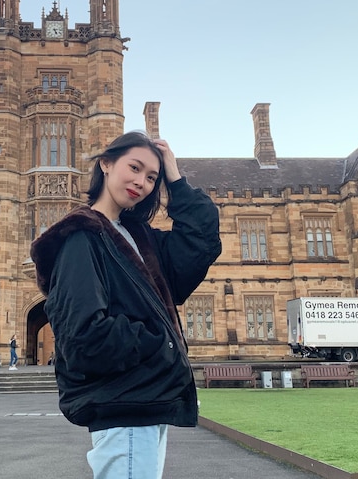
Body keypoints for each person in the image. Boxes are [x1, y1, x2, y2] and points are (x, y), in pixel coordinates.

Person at [31, 132, 222, 479]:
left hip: (145, 399)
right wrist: (156, 343)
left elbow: (201, 241)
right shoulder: (82, 238)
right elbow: (82, 335)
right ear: (106, 164)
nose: (142, 182)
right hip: (125, 403)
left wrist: (175, 179)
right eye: (134, 168)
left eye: (152, 177)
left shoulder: (139, 237)